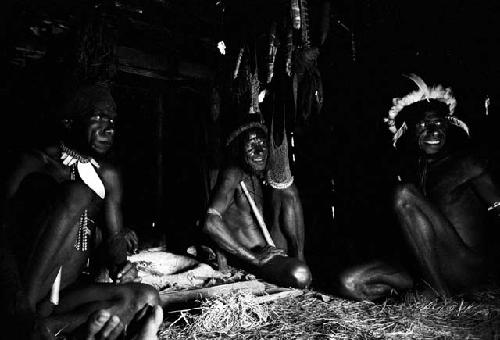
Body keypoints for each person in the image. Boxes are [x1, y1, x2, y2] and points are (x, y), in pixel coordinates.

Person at [0, 83, 159, 337]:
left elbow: (114, 244)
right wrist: (18, 304)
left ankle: (48, 329)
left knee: (147, 297)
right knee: (77, 193)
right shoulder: (33, 162)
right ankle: (25, 323)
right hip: (23, 294)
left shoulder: (108, 175)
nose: (109, 128)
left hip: (66, 294)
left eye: (112, 120)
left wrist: (123, 266)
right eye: (98, 117)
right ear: (68, 122)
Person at [339, 74, 500, 300]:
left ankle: (440, 296)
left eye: (439, 123)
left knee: (404, 193)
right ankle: (425, 292)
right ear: (408, 129)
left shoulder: (467, 164)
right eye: (424, 125)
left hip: (465, 268)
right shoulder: (408, 170)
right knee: (350, 282)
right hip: (426, 268)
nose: (434, 132)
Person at [203, 116, 311, 288]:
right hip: (250, 257)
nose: (259, 151)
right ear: (238, 149)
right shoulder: (232, 174)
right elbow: (210, 222)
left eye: (262, 144)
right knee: (300, 274)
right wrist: (254, 258)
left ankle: (300, 258)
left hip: (269, 248)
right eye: (251, 146)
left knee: (287, 191)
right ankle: (299, 269)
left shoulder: (256, 174)